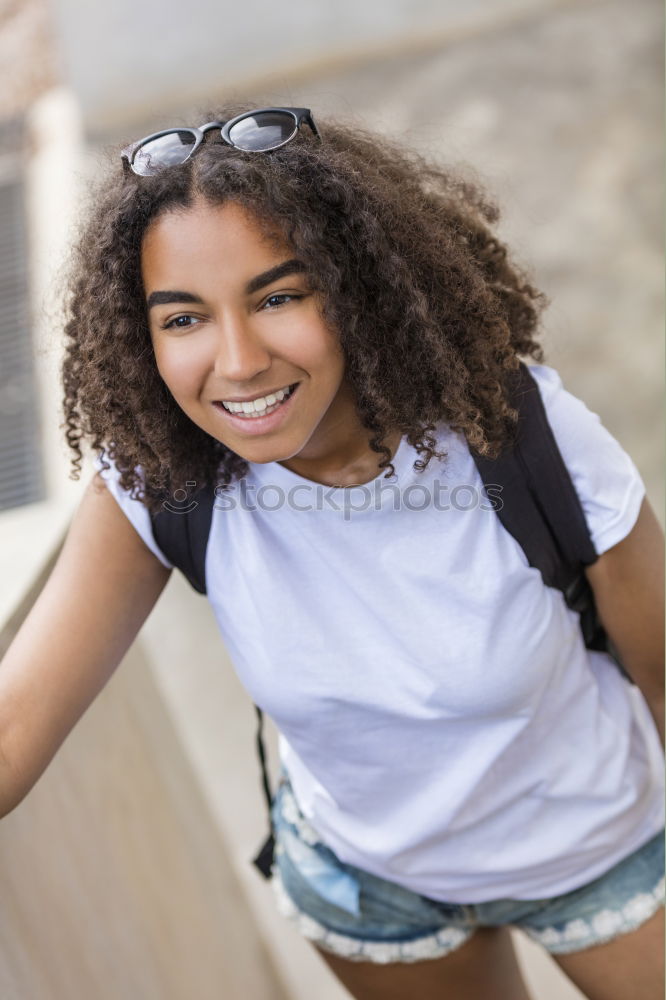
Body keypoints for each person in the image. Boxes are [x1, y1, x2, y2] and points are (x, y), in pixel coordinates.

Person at [0, 105, 663, 1000]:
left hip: (602, 849)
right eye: (183, 318)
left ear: (354, 291)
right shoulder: (161, 481)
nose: (237, 363)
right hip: (369, 890)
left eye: (279, 297)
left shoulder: (520, 438)